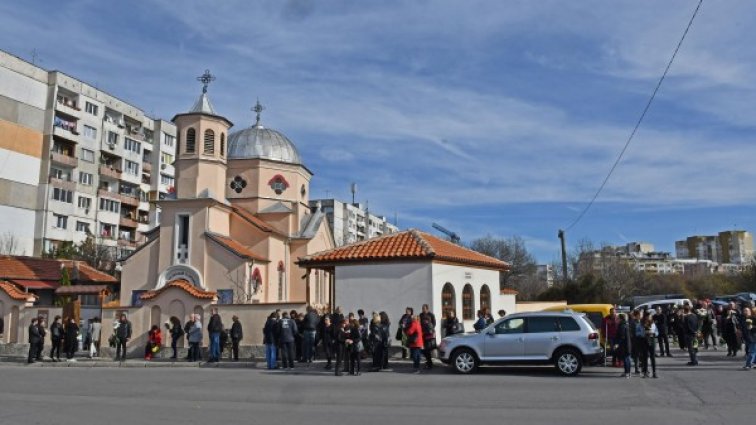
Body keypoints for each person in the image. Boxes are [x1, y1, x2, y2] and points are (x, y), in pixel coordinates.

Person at [639, 312, 658, 378]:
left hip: (652, 340)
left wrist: (653, 333)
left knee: (653, 357)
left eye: (650, 316)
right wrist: (644, 333)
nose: (649, 318)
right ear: (645, 317)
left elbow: (657, 332)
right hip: (644, 341)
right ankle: (645, 372)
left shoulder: (653, 324)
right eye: (648, 316)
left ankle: (654, 372)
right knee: (645, 357)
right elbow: (637, 332)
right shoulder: (641, 324)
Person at [616, 314, 633, 378]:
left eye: (618, 318)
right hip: (628, 344)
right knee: (628, 358)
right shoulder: (627, 324)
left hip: (624, 345)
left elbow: (622, 337)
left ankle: (627, 373)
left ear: (621, 319)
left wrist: (617, 344)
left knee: (626, 359)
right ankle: (628, 372)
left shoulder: (622, 326)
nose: (617, 319)